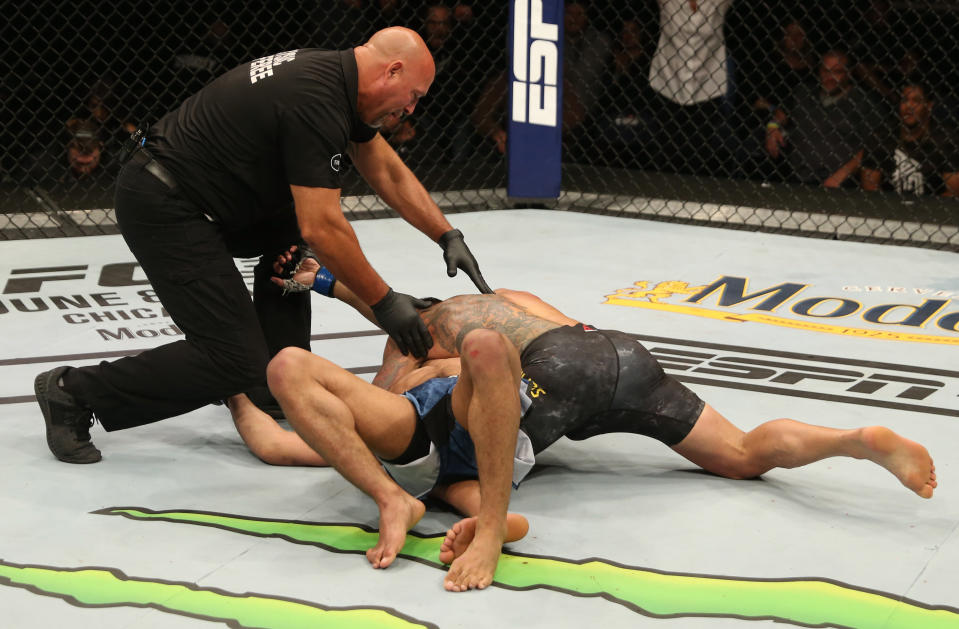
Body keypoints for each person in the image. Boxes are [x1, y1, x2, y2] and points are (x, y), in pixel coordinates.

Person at [261, 261, 938, 592]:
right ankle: (850, 440)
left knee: (462, 434)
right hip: (614, 351)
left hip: (533, 377)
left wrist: (329, 289)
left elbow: (396, 328)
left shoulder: (434, 335)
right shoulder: (507, 300)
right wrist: (324, 284)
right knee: (736, 451)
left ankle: (486, 524)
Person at [33, 27, 492, 465]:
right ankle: (73, 392)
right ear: (391, 71)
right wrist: (384, 301)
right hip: (168, 203)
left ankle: (273, 384)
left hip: (220, 200)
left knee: (288, 252)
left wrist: (446, 234)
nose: (411, 111)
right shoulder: (317, 99)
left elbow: (386, 169)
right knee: (231, 357)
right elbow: (324, 227)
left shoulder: (337, 81)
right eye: (413, 96)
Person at [764, 49, 886, 185]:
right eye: (825, 71)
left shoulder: (863, 101)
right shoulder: (804, 92)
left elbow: (873, 145)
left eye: (837, 71)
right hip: (798, 179)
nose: (830, 77)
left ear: (849, 73)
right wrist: (772, 127)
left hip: (842, 184)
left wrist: (839, 177)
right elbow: (783, 111)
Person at [856, 83, 959, 195]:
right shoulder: (882, 136)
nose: (909, 106)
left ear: (929, 105)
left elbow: (953, 191)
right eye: (904, 100)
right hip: (887, 208)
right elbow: (870, 188)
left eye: (916, 101)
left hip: (933, 208)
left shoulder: (946, 139)